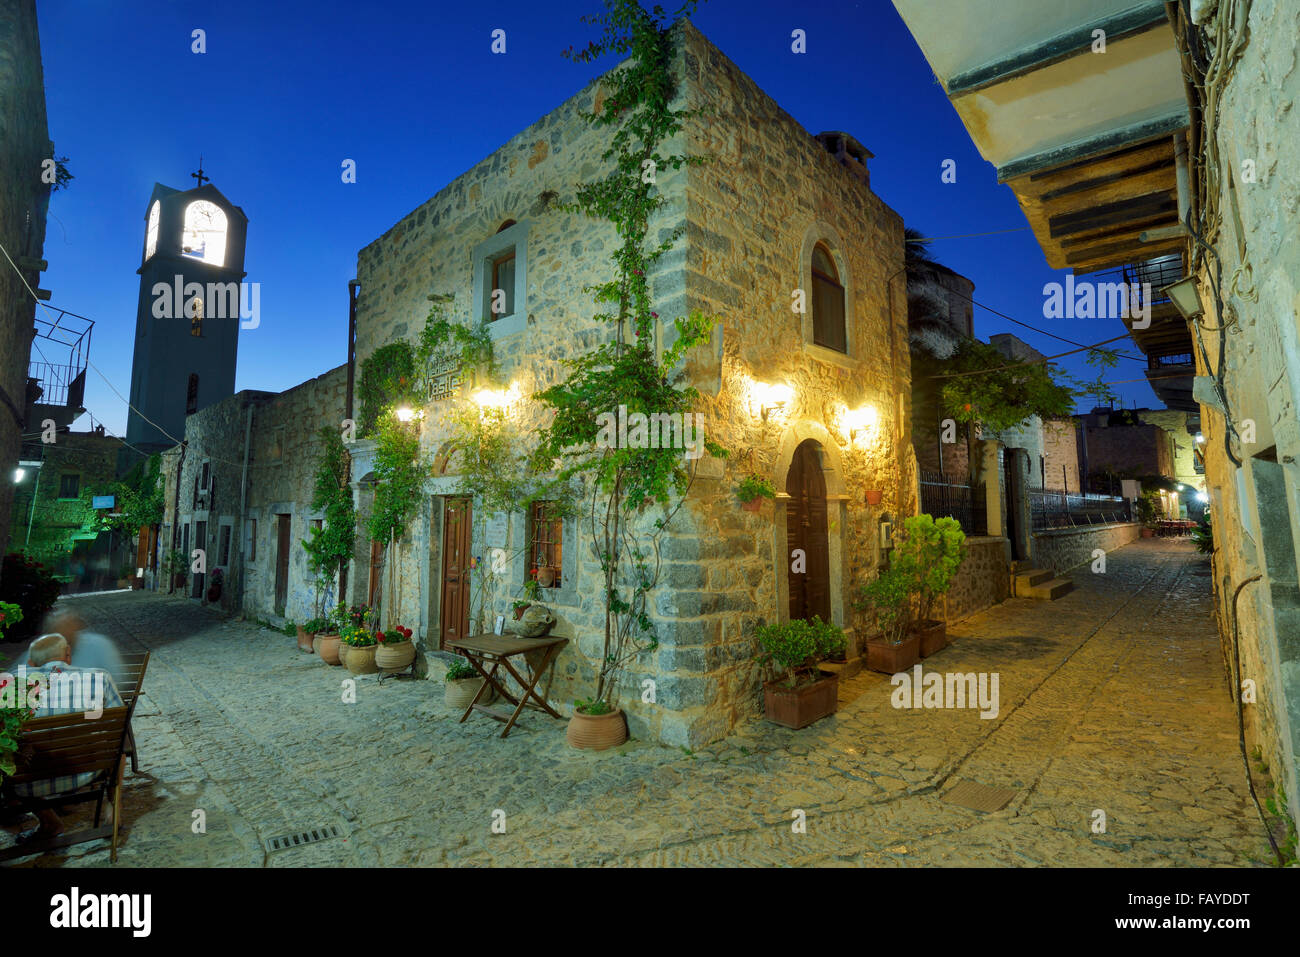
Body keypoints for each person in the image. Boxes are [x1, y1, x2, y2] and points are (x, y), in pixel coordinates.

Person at [8, 634, 124, 844]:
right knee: (117, 740)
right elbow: (117, 728)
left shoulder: (12, 684)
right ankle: (113, 806)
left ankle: (48, 820)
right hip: (89, 769)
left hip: (26, 782)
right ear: (68, 655)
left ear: (31, 663)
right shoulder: (98, 677)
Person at [24, 608, 126, 687]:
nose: (64, 632)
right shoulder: (36, 650)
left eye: (67, 626)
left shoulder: (99, 645)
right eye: (57, 628)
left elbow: (117, 680)